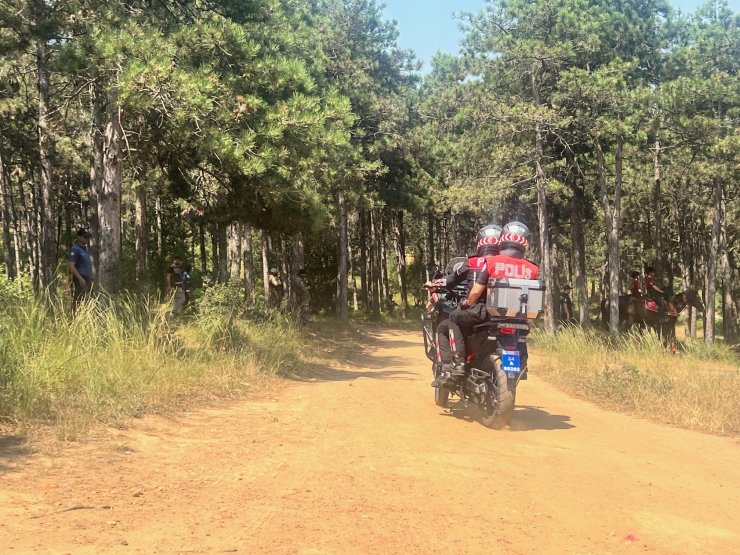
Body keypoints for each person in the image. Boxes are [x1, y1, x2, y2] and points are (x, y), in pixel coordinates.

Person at [428, 224, 502, 385]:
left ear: (480, 242)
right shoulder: (504, 264)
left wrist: (432, 283)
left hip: (477, 310)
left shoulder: (472, 262)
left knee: (444, 326)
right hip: (502, 314)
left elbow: (450, 280)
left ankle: (455, 364)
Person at [68, 227, 93, 313]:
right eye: (85, 237)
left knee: (86, 300)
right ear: (79, 237)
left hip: (86, 278)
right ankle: (73, 319)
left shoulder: (85, 250)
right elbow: (71, 265)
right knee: (78, 299)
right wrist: (80, 278)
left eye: (88, 237)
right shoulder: (75, 249)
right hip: (79, 278)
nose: (87, 239)